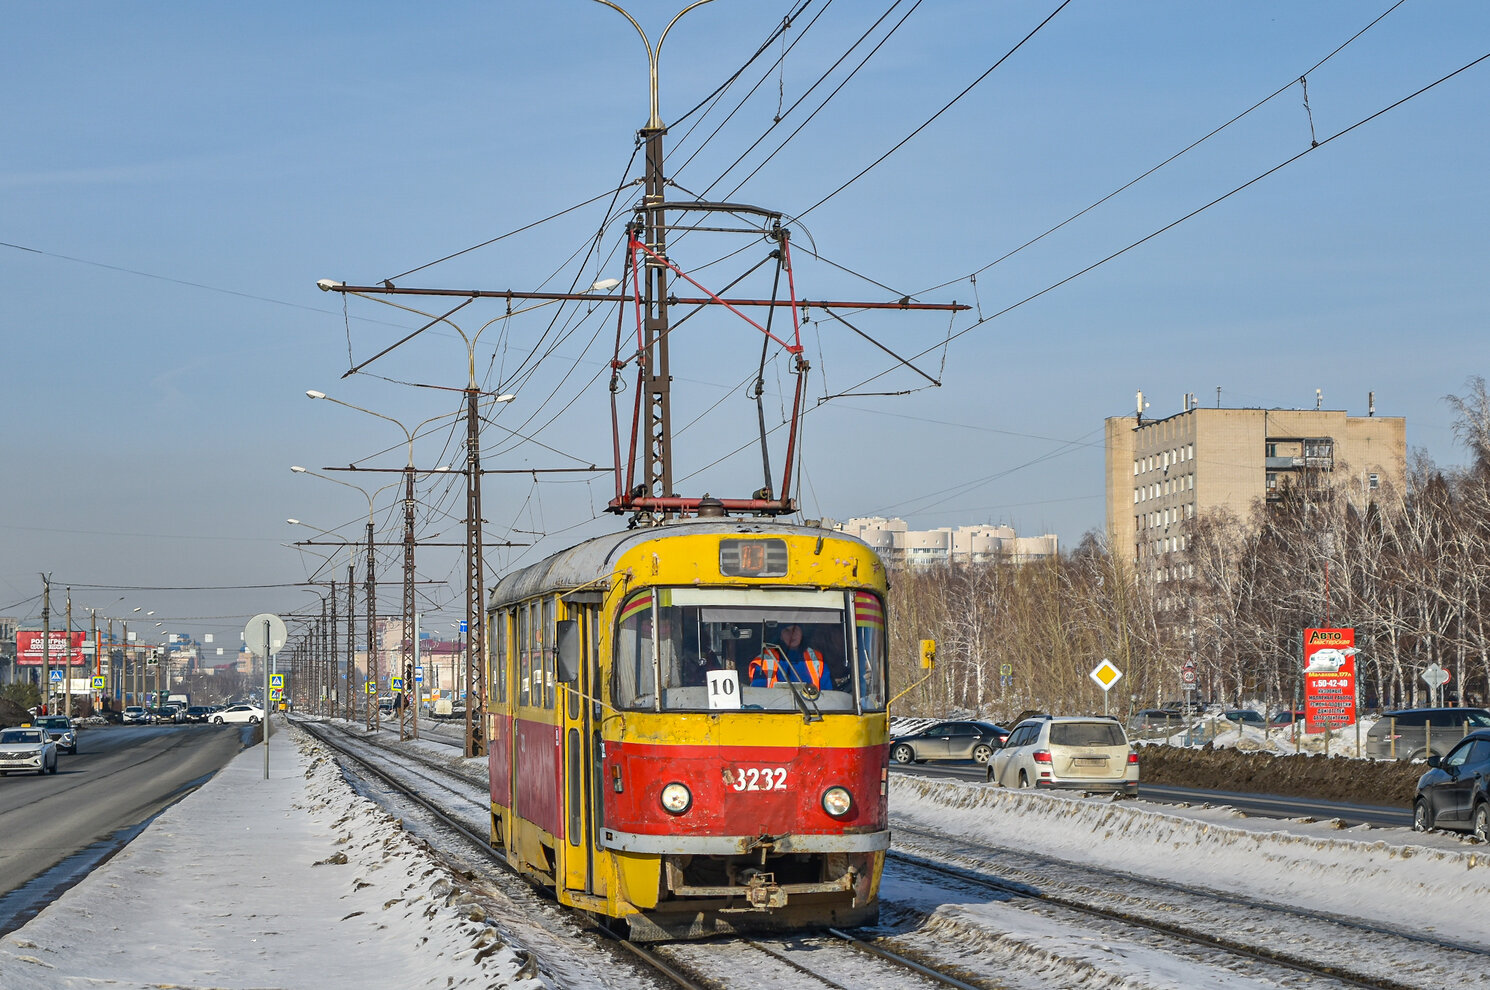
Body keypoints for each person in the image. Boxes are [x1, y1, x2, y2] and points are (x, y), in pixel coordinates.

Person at [749, 624, 832, 692]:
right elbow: (758, 696)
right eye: (786, 630)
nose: (792, 634)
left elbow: (828, 696)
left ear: (802, 632)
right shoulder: (764, 661)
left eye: (795, 629)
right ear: (780, 635)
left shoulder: (817, 660)